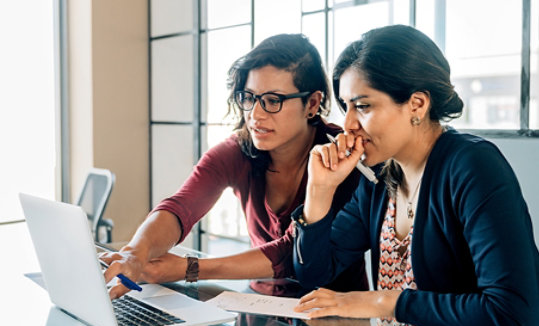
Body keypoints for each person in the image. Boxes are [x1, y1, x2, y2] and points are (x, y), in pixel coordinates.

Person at [291, 25, 539, 326]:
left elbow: (515, 316)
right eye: (345, 106)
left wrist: (385, 302)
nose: (348, 124)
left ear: (417, 105)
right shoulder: (380, 178)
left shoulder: (473, 167)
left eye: (363, 106)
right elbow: (314, 274)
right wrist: (319, 192)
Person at [100, 33, 369, 299]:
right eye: (249, 97)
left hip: (334, 317)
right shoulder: (239, 150)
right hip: (259, 305)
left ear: (311, 103)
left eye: (273, 101)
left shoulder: (341, 157)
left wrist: (191, 268)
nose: (256, 114)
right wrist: (135, 253)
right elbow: (180, 207)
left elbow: (291, 253)